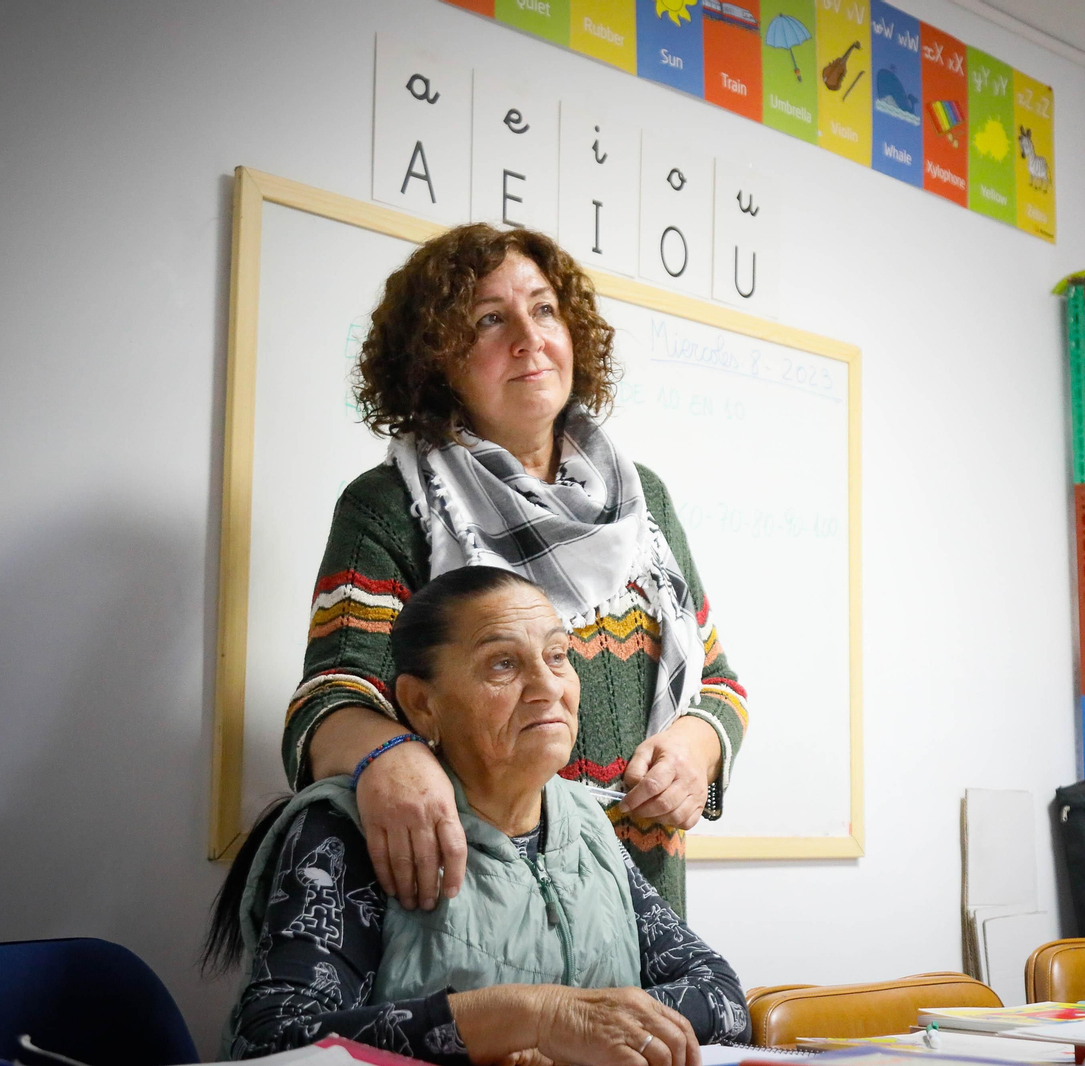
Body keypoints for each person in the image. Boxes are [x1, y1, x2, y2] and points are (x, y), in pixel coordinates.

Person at [286, 224, 748, 918]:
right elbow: (329, 698)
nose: (529, 338)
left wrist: (696, 746)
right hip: (475, 911)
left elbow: (719, 685)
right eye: (489, 320)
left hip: (641, 909)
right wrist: (390, 754)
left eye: (544, 310)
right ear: (436, 357)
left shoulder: (641, 501)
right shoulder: (390, 506)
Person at [208, 566, 751, 1063]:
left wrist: (586, 1034)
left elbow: (723, 1000)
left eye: (557, 655)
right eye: (503, 664)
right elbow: (272, 1043)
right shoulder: (353, 829)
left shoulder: (584, 824)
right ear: (422, 704)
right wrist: (529, 1020)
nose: (548, 688)